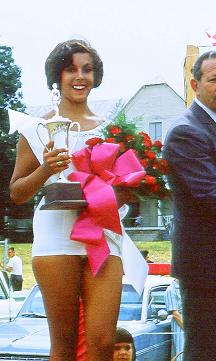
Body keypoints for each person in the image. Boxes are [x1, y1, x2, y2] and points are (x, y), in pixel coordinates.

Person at [9, 39, 147, 361]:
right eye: (70, 69)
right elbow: (17, 193)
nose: (79, 76)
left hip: (103, 235)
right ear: (57, 77)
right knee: (65, 346)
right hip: (55, 237)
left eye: (87, 69)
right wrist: (46, 169)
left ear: (96, 76)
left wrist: (126, 190)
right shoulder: (37, 127)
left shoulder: (113, 129)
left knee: (102, 344)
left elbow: (126, 184)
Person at [163, 50, 216, 361]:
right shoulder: (187, 131)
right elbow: (212, 197)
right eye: (215, 79)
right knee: (208, 354)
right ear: (195, 85)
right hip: (208, 271)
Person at [164, 278, 184, 361]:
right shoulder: (170, 290)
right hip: (181, 326)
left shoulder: (188, 287)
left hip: (192, 323)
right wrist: (189, 329)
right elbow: (175, 314)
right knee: (182, 353)